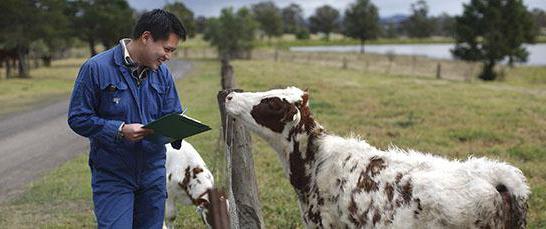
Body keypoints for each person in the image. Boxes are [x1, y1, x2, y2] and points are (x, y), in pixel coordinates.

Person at [68, 9, 186, 228]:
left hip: (153, 173)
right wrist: (120, 130)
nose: (168, 56)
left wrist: (179, 129)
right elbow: (78, 118)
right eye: (167, 49)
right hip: (113, 174)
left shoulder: (163, 74)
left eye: (172, 51)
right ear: (146, 37)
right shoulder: (96, 68)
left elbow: (172, 113)